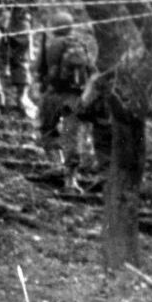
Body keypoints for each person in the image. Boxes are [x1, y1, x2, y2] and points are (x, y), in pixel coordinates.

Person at [35, 11, 96, 191]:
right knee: (72, 136)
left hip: (53, 96)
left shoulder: (50, 44)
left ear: (54, 26)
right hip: (75, 97)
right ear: (70, 27)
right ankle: (71, 179)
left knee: (47, 130)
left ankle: (56, 164)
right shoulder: (80, 44)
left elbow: (38, 69)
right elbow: (92, 70)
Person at [0, 0, 41, 119]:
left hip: (0, 22)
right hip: (21, 22)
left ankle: (0, 99)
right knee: (21, 61)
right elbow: (36, 4)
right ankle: (21, 97)